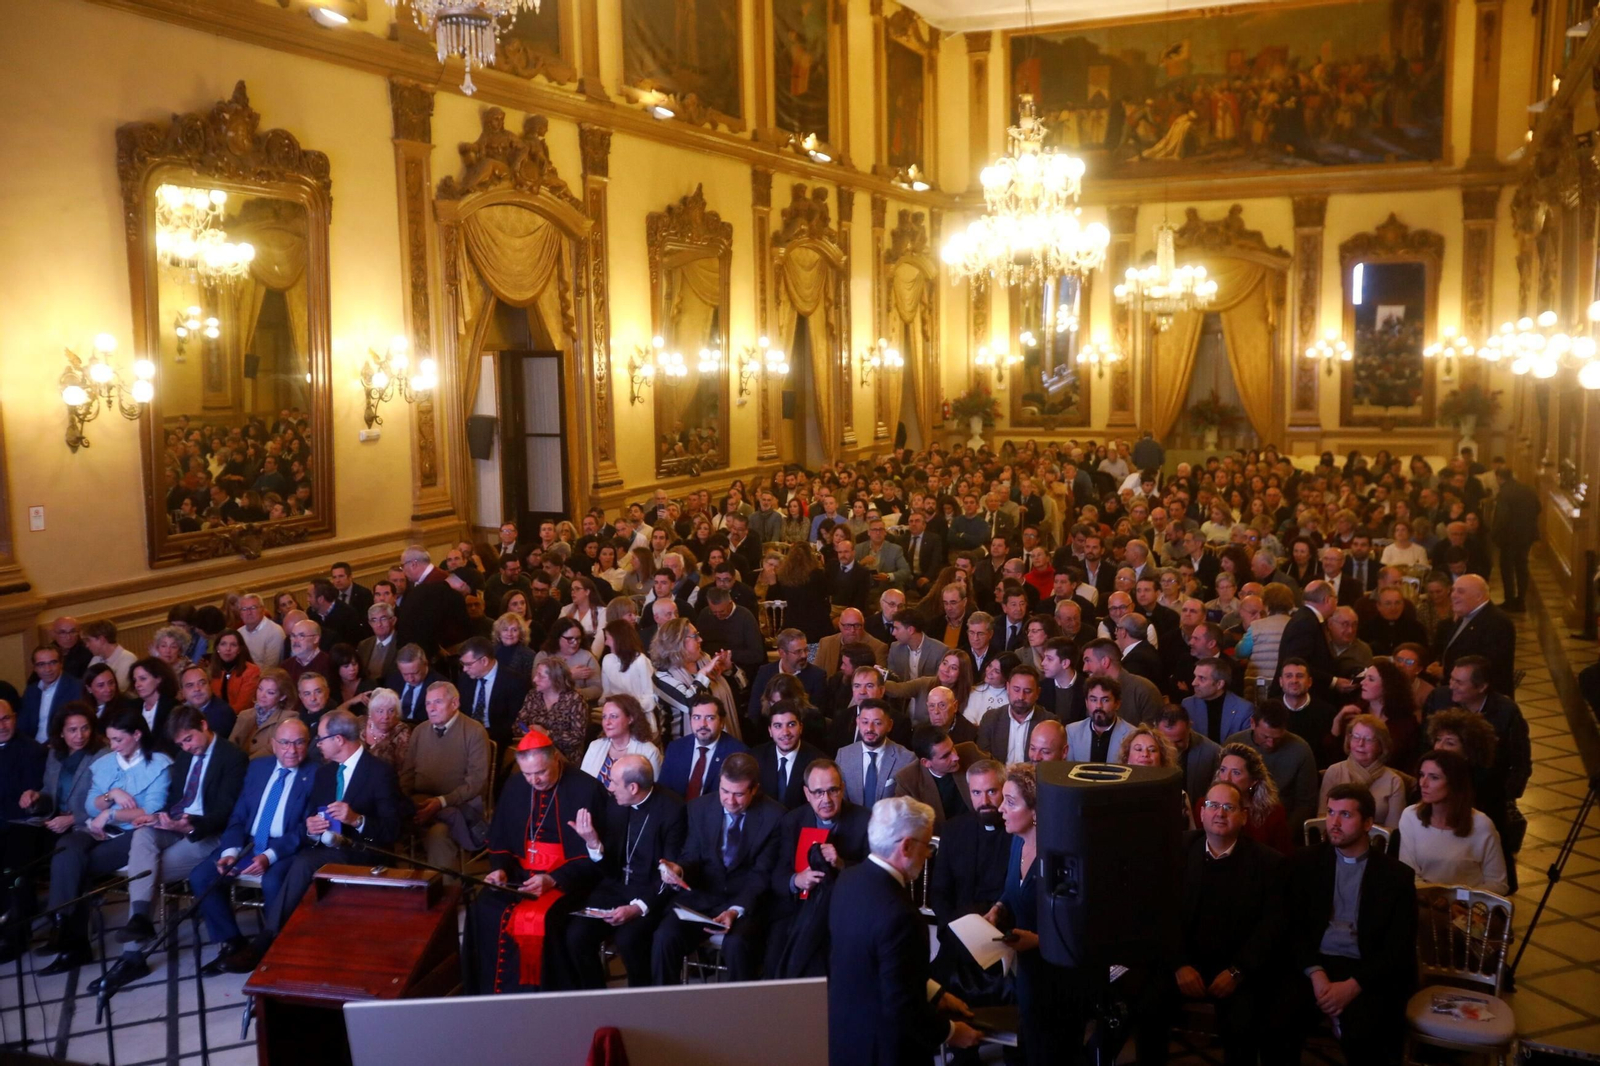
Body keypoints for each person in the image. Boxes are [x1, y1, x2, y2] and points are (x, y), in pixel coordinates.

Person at [218, 709, 410, 973]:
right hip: (323, 847)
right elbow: (311, 819)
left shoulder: (379, 772)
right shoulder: (325, 774)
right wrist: (311, 827)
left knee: (304, 863)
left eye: (320, 739)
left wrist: (357, 820)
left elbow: (393, 830)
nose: (316, 745)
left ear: (339, 740)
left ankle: (265, 942)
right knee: (296, 862)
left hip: (364, 851)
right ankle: (294, 943)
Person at [93, 706, 249, 993]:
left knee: (145, 873)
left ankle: (132, 955)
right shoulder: (184, 756)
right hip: (176, 823)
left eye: (189, 739)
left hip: (207, 833)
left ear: (204, 724)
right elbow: (176, 798)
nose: (186, 747)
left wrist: (188, 826)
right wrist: (160, 817)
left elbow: (228, 812)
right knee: (143, 833)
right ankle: (140, 919)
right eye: (180, 744)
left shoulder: (232, 757)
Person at [1135, 780, 1284, 1066]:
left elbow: (1271, 927)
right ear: (1201, 813)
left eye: (1229, 807)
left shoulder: (1268, 864)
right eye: (1213, 806)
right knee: (1147, 1007)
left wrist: (1237, 971)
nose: (1220, 813)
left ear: (1243, 816)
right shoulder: (1177, 850)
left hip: (1237, 971)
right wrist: (1178, 965)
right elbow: (1159, 913)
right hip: (1182, 964)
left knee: (1245, 1026)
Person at [1266, 784, 1417, 1065]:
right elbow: (1292, 927)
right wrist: (1316, 974)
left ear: (1368, 823)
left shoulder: (1395, 877)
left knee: (1369, 1034)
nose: (1333, 823)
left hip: (1366, 967)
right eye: (1331, 812)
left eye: (1345, 815)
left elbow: (1398, 947)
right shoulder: (1304, 863)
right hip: (1314, 962)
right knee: (1278, 1021)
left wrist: (1352, 986)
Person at [828, 796, 980, 1065]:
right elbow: (902, 1006)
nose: (928, 856)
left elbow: (880, 965)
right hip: (887, 1049)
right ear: (907, 846)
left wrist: (937, 993)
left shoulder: (848, 880)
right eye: (928, 847)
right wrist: (953, 1032)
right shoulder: (901, 915)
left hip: (846, 1036)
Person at [463, 731, 608, 994]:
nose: (534, 780)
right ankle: (490, 993)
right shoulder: (516, 784)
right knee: (484, 906)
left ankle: (541, 995)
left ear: (555, 760)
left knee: (541, 918)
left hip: (570, 879)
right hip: (520, 873)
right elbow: (502, 835)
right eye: (528, 774)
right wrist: (499, 869)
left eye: (540, 772)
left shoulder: (586, 788)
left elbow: (596, 857)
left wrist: (554, 878)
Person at [39, 709, 173, 974]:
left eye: (118, 740)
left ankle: (72, 945)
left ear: (137, 735)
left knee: (81, 864)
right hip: (98, 827)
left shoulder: (159, 764)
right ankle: (61, 925)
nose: (112, 746)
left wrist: (109, 812)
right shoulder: (106, 763)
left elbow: (150, 812)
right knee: (66, 849)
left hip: (134, 833)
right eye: (110, 740)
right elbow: (90, 804)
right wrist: (112, 794)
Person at [190, 718, 318, 975]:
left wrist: (269, 856)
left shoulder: (315, 774)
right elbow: (238, 816)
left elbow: (306, 829)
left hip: (286, 847)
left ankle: (274, 947)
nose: (291, 750)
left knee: (273, 881)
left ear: (308, 744)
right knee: (202, 876)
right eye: (284, 742)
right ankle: (232, 942)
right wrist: (230, 852)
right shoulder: (258, 767)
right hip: (248, 842)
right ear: (273, 744)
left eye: (299, 742)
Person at [651, 751, 785, 983]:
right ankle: (663, 1011)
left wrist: (735, 910)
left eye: (739, 794)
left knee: (737, 945)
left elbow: (761, 874)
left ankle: (739, 1015)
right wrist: (678, 869)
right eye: (725, 791)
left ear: (755, 789)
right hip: (702, 897)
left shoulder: (775, 816)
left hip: (745, 902)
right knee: (664, 937)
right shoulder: (698, 808)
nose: (730, 801)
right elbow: (692, 856)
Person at [559, 753, 686, 989]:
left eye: (613, 782)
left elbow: (671, 875)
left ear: (634, 787)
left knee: (629, 940)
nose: (608, 787)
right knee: (576, 936)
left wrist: (637, 908)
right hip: (614, 888)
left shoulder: (672, 809)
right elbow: (609, 868)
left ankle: (640, 1003)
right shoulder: (616, 802)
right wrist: (593, 843)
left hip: (651, 894)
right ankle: (596, 999)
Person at [765, 758, 871, 979]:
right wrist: (796, 880)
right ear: (807, 793)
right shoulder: (792, 821)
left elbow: (874, 876)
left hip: (844, 909)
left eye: (833, 790)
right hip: (798, 907)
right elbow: (777, 876)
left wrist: (842, 865)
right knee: (777, 945)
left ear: (842, 788)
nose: (826, 800)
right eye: (818, 792)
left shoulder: (865, 820)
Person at [401, 681, 491, 872]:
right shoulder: (419, 731)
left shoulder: (474, 731)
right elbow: (407, 774)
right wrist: (403, 802)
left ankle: (444, 894)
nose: (431, 709)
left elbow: (476, 783)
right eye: (427, 703)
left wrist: (441, 802)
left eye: (438, 702)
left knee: (438, 835)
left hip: (459, 806)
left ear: (455, 703)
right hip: (419, 803)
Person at [1397, 748, 1509, 892]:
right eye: (1422, 775)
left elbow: (1498, 883)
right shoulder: (1410, 816)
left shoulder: (1482, 824)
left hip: (1469, 906)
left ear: (1454, 783)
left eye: (1434, 777)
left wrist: (1460, 902)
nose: (1423, 783)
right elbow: (1409, 874)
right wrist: (1439, 899)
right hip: (1425, 901)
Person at [1225, 702, 1320, 837]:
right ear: (1252, 723)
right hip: (1237, 820)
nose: (1270, 743)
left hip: (1282, 823)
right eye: (1265, 737)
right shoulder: (1235, 743)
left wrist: (1283, 831)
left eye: (1277, 738)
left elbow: (1306, 803)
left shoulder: (1301, 750)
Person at [1319, 714, 1409, 829]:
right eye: (1356, 737)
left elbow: (1392, 831)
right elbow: (1322, 818)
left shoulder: (1394, 782)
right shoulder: (1334, 772)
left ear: (1381, 745)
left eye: (1368, 740)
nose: (1360, 744)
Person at [659, 691, 750, 800]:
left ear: (722, 722)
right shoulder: (676, 748)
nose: (702, 724)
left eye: (710, 718)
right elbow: (663, 792)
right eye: (696, 717)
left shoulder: (738, 754)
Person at [1212, 742, 1292, 855]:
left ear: (1253, 781)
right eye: (1223, 770)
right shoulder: (1205, 806)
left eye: (1236, 772)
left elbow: (1284, 858)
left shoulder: (1272, 813)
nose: (1226, 778)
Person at [395, 545, 471, 658]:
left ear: (413, 564)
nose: (403, 571)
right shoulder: (437, 578)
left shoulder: (439, 581)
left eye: (402, 566)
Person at [838, 699, 915, 807]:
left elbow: (908, 806)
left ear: (889, 725)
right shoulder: (844, 755)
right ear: (858, 722)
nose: (869, 728)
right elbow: (840, 799)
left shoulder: (907, 759)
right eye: (865, 722)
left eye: (877, 723)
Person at [515, 657, 589, 763]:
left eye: (540, 676)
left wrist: (547, 734)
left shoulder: (575, 700)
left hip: (565, 759)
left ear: (556, 679)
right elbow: (518, 724)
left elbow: (577, 737)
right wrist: (525, 730)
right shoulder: (533, 695)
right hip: (535, 754)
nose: (535, 679)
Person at [755, 699, 825, 810]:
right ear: (770, 731)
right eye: (778, 726)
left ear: (801, 727)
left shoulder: (819, 762)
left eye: (791, 725)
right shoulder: (756, 758)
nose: (785, 732)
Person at [580, 694, 663, 784]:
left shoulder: (649, 752)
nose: (607, 722)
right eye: (604, 717)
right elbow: (583, 784)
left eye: (613, 716)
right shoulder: (595, 746)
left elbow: (652, 792)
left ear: (630, 719)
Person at [1490, 467, 1540, 610]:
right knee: (1522, 567)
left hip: (1509, 537)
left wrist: (1494, 533)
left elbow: (1502, 517)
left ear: (1499, 477)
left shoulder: (1504, 493)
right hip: (1526, 535)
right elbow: (1538, 507)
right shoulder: (1528, 489)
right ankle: (1521, 600)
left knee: (1507, 568)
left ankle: (1510, 600)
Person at [19, 645, 85, 744]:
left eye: (53, 663)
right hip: (33, 746)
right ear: (35, 668)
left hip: (60, 745)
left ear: (61, 664)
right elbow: (22, 725)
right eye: (41, 664)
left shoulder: (76, 687)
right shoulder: (31, 690)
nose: (48, 669)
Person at [1157, 704, 1222, 802]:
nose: (1172, 747)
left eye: (1179, 741)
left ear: (1189, 727)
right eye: (1166, 741)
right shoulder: (1146, 751)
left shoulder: (1213, 752)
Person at [1181, 657, 1252, 744]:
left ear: (1219, 684)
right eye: (1195, 677)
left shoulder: (1244, 709)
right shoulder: (1188, 704)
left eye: (1202, 678)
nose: (1194, 683)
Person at [1066, 674, 1136, 762]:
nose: (1098, 706)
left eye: (1105, 700)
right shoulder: (1072, 732)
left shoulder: (1132, 735)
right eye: (1093, 700)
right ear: (1087, 703)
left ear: (1117, 704)